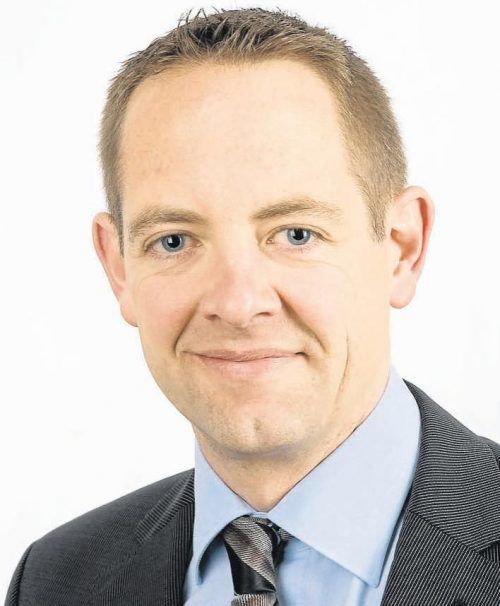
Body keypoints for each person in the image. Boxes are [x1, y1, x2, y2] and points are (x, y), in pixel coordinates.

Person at [5, 6, 500, 606]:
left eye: (296, 234)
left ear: (402, 248)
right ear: (119, 266)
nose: (238, 304)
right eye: (174, 241)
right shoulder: (56, 581)